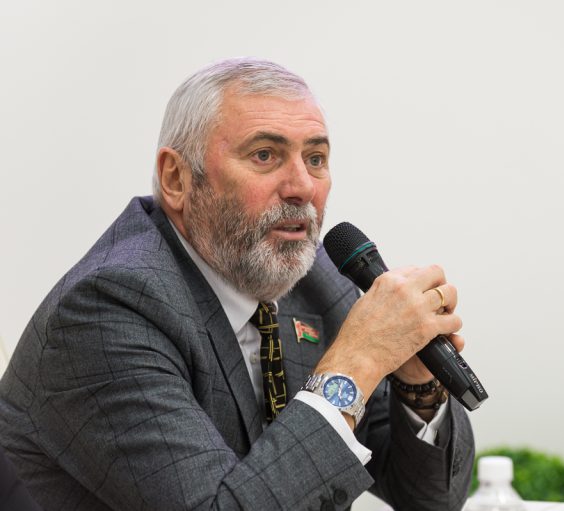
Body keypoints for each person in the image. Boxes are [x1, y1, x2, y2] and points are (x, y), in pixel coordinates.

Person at [0, 58, 474, 510]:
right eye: (265, 155)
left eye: (316, 158)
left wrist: (418, 382)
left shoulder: (319, 282)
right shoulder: (106, 312)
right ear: (177, 178)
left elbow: (431, 501)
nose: (302, 187)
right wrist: (357, 362)